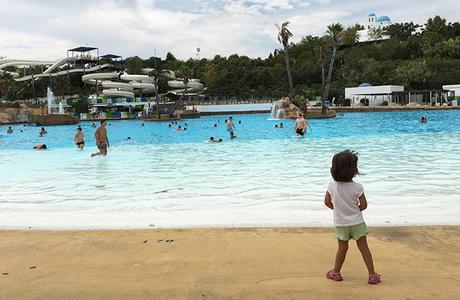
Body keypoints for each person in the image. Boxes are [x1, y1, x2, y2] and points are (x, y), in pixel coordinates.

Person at [324, 150, 380, 285]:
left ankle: (336, 273)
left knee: (342, 248)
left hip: (341, 223)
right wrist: (354, 211)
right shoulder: (357, 187)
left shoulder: (332, 185)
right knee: (363, 247)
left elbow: (327, 202)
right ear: (354, 170)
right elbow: (364, 205)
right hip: (357, 222)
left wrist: (338, 210)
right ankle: (372, 275)